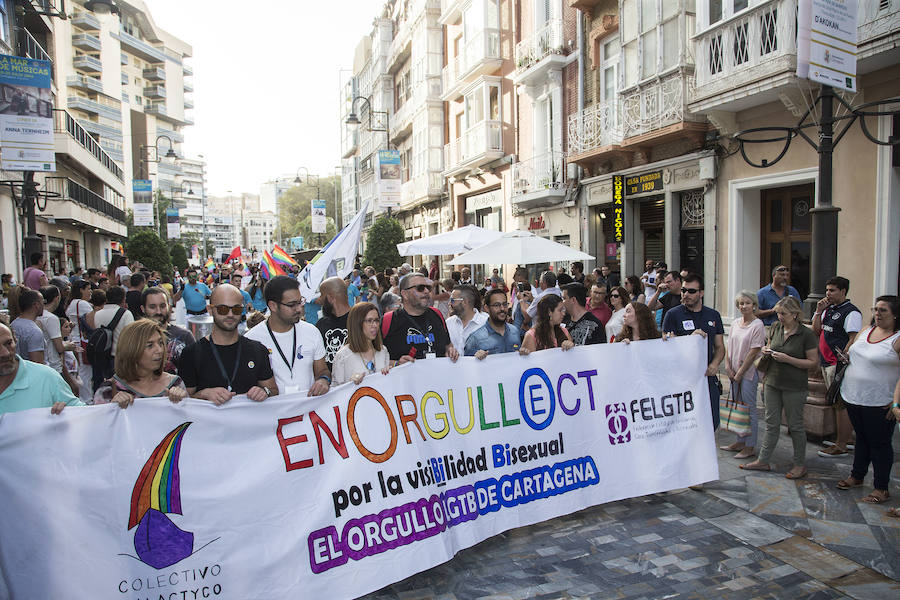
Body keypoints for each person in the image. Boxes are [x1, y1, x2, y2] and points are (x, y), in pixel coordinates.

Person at [741, 296, 818, 479]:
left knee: (795, 425)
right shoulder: (776, 328)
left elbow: (813, 363)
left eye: (783, 314)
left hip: (794, 386)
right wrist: (767, 351)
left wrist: (788, 359)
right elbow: (769, 345)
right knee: (771, 423)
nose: (780, 317)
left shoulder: (806, 334)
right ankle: (763, 460)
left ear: (795, 314)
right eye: (778, 313)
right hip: (772, 382)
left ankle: (800, 464)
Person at [834, 295, 900, 509]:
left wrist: (896, 402)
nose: (877, 314)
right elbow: (852, 351)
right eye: (875, 309)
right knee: (861, 438)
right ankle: (857, 476)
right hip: (853, 396)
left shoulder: (897, 339)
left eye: (883, 310)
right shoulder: (865, 331)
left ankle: (881, 488)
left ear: (895, 315)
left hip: (880, 401)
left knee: (880, 444)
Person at [179, 284, 277, 404]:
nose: (230, 314)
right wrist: (204, 394)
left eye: (236, 309)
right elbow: (183, 401)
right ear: (210, 310)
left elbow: (273, 390)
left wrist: (264, 392)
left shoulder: (258, 350)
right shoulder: (192, 353)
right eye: (223, 309)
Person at [245, 276, 329, 396]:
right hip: (273, 412)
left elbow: (322, 370)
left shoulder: (312, 332)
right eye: (292, 305)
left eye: (300, 302)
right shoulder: (252, 339)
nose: (299, 309)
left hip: (307, 410)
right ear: (273, 306)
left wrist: (324, 380)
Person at [662, 274, 726, 430]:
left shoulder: (713, 315)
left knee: (712, 421)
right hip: (682, 378)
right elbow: (666, 346)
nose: (686, 294)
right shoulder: (673, 314)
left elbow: (720, 347)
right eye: (683, 290)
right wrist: (690, 340)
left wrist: (715, 364)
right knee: (685, 423)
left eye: (691, 291)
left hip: (706, 377)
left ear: (701, 293)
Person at [811, 276, 862, 458]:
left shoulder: (851, 312)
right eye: (827, 290)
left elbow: (853, 338)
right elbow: (817, 330)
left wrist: (844, 358)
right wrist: (818, 312)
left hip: (837, 364)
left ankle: (842, 444)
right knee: (835, 402)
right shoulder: (828, 309)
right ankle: (843, 439)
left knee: (841, 404)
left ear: (843, 291)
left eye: (832, 290)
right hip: (826, 361)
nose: (828, 294)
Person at [93, 319, 187, 407]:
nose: (159, 350)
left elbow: (189, 422)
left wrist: (182, 403)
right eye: (150, 345)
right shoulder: (107, 391)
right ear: (131, 350)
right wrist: (112, 409)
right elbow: (99, 423)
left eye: (160, 343)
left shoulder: (175, 383)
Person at [0, 322, 83, 415]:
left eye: (8, 343)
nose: (5, 353)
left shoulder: (47, 378)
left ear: (15, 341)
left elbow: (85, 417)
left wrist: (68, 413)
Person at [721, 290, 766, 460]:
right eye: (741, 303)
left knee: (748, 409)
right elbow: (729, 345)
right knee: (737, 406)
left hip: (748, 373)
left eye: (747, 303)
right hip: (733, 372)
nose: (743, 306)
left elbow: (754, 351)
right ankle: (739, 440)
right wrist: (727, 366)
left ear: (754, 305)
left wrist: (740, 373)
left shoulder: (758, 325)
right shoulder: (734, 323)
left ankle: (750, 446)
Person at [382, 272, 458, 362]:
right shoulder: (389, 320)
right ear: (405, 294)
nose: (426, 291)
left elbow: (448, 345)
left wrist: (450, 351)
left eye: (428, 288)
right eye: (420, 288)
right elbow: (373, 358)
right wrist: (396, 364)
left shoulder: (437, 314)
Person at [331, 302, 392, 385]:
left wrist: (389, 375)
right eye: (369, 321)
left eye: (377, 320)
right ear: (357, 324)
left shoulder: (383, 351)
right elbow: (336, 391)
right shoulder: (343, 355)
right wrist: (350, 383)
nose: (375, 325)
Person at [141, 286, 194, 375]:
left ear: (169, 307)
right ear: (143, 309)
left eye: (162, 306)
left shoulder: (185, 336)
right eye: (152, 307)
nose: (158, 311)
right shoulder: (135, 337)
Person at [38, 286, 80, 396]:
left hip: (44, 365)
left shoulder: (37, 316)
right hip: (54, 366)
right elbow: (59, 347)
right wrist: (69, 345)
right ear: (57, 298)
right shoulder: (51, 318)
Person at [465, 288, 524, 359]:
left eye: (505, 304)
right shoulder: (475, 338)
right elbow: (467, 366)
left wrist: (523, 354)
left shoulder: (515, 331)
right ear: (486, 308)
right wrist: (475, 357)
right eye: (496, 305)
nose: (502, 308)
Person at [65, 279, 94, 402]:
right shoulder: (82, 304)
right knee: (85, 371)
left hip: (75, 339)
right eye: (88, 289)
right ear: (81, 290)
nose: (90, 291)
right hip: (82, 341)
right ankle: (87, 398)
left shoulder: (71, 303)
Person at [316, 276, 352, 372]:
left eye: (321, 295)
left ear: (331, 297)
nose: (319, 300)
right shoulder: (321, 325)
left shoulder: (360, 320)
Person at [445, 285, 487, 354]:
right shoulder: (448, 323)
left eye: (452, 300)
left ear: (464, 302)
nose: (449, 303)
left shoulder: (486, 323)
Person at [10, 288, 45, 364]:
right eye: (43, 302)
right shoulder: (34, 331)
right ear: (36, 305)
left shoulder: (13, 324)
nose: (44, 305)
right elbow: (37, 365)